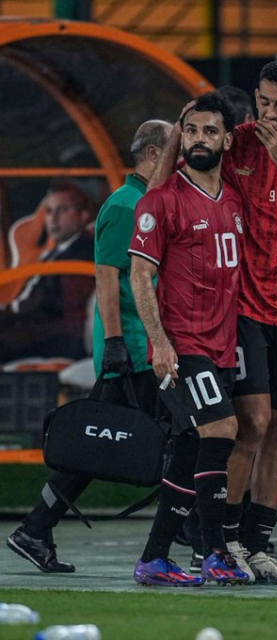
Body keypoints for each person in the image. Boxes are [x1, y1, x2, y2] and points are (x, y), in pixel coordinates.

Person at [151, 61, 277, 584]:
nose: (270, 114)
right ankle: (222, 540)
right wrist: (180, 130)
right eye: (263, 103)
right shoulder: (236, 143)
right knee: (250, 424)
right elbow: (167, 193)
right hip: (245, 308)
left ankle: (256, 545)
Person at [6, 120, 172, 574]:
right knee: (179, 436)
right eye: (175, 147)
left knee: (93, 446)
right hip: (134, 347)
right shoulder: (125, 205)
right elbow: (106, 278)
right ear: (155, 154)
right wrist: (118, 343)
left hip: (140, 344)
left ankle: (35, 529)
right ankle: (193, 543)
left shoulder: (142, 202)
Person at [129, 92, 250, 587]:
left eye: (211, 131)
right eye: (192, 130)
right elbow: (139, 275)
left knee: (187, 449)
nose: (201, 139)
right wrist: (159, 343)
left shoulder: (234, 200)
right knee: (223, 430)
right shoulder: (162, 201)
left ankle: (155, 559)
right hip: (184, 344)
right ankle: (215, 551)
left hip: (222, 344)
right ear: (182, 137)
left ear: (226, 138)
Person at [0, 182, 94, 364]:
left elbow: (57, 302)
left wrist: (12, 313)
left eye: (62, 210)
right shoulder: (55, 252)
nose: (53, 219)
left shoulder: (84, 252)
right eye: (49, 211)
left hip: (58, 336)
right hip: (40, 327)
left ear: (83, 216)